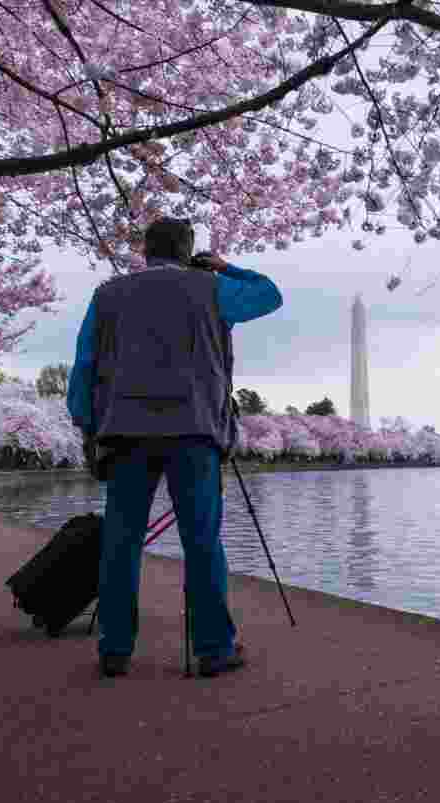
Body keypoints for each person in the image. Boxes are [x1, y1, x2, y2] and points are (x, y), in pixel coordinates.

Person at [67, 217, 283, 679]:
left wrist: (86, 424)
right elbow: (269, 295)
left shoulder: (107, 295)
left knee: (121, 541)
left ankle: (115, 648)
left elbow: (84, 363)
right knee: (201, 541)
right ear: (188, 251)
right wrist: (225, 267)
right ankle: (213, 648)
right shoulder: (212, 288)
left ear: (145, 250)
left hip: (124, 431)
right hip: (194, 429)